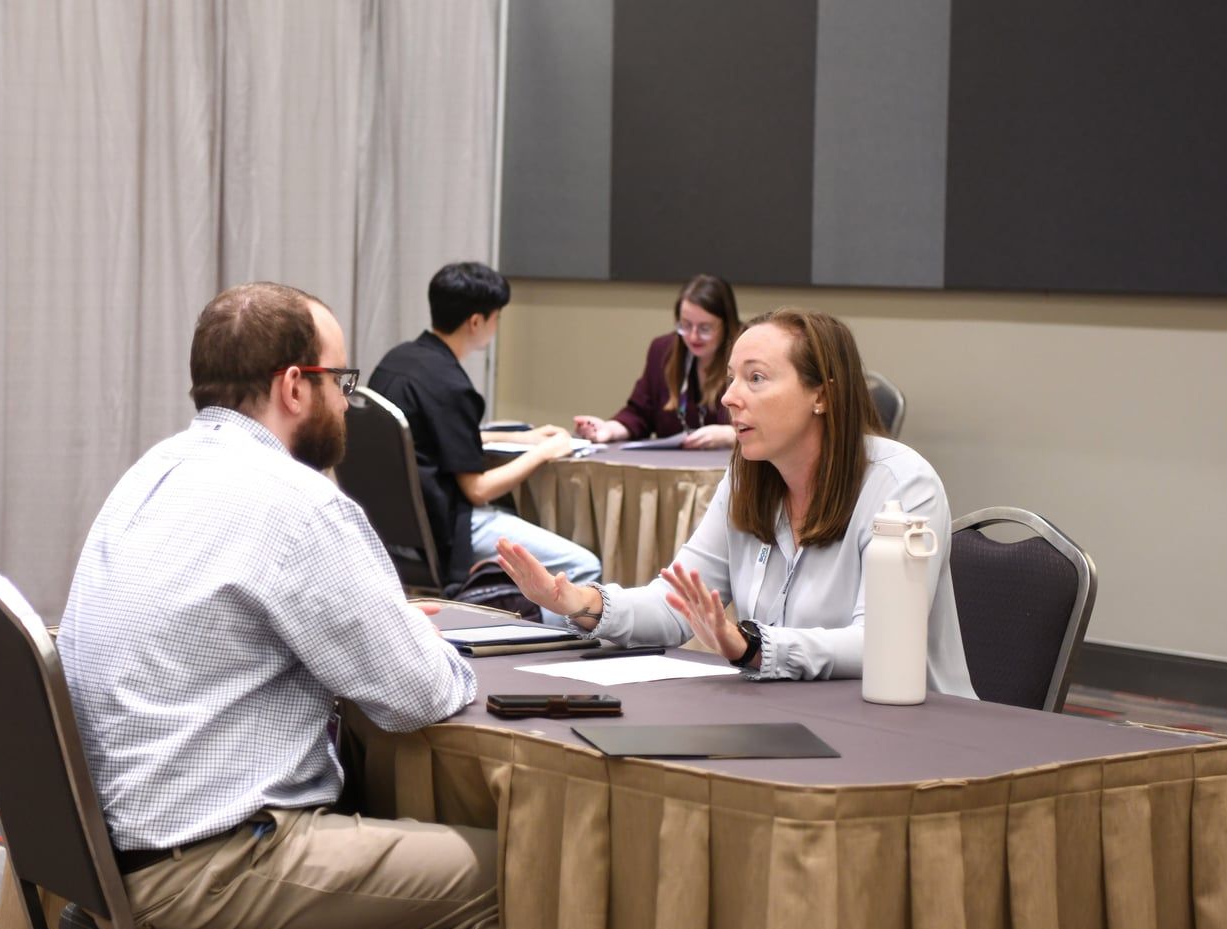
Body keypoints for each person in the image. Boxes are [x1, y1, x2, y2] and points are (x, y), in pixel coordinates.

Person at [58, 281, 504, 929]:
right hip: (203, 866)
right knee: (496, 879)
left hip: (97, 864)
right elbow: (421, 694)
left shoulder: (150, 471)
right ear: (295, 385)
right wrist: (409, 636)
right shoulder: (294, 503)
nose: (348, 397)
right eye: (341, 376)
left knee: (359, 822)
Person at [502, 307, 975, 694]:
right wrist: (577, 601)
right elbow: (675, 605)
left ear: (822, 395)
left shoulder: (902, 485)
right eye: (731, 378)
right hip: (794, 717)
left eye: (756, 378)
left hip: (909, 733)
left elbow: (882, 645)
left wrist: (751, 646)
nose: (729, 397)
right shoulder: (748, 476)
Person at [368, 261, 600, 608]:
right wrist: (543, 452)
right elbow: (477, 490)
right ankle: (543, 643)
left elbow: (427, 439)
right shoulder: (451, 385)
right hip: (447, 530)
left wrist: (524, 438)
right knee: (585, 566)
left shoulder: (397, 362)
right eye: (497, 317)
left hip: (396, 532)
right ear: (476, 321)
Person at [574, 273, 741, 448]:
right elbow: (640, 414)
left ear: (727, 324)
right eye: (685, 325)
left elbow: (768, 424)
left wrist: (730, 434)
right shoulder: (663, 351)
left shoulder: (748, 352)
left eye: (705, 328)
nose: (693, 336)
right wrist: (608, 429)